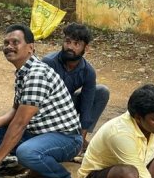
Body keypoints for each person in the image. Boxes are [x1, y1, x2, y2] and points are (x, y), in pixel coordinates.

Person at [0, 24, 82, 178]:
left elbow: (19, 124)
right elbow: (16, 109)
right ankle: (39, 170)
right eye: (6, 43)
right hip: (42, 133)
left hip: (67, 139)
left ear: (31, 47)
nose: (9, 46)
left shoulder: (36, 74)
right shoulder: (23, 71)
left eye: (15, 42)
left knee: (26, 152)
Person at [42, 22, 110, 151]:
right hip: (47, 108)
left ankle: (79, 139)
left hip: (68, 104)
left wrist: (80, 138)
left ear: (86, 48)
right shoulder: (49, 63)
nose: (70, 47)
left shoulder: (88, 71)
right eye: (68, 42)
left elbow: (87, 105)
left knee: (102, 92)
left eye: (77, 44)